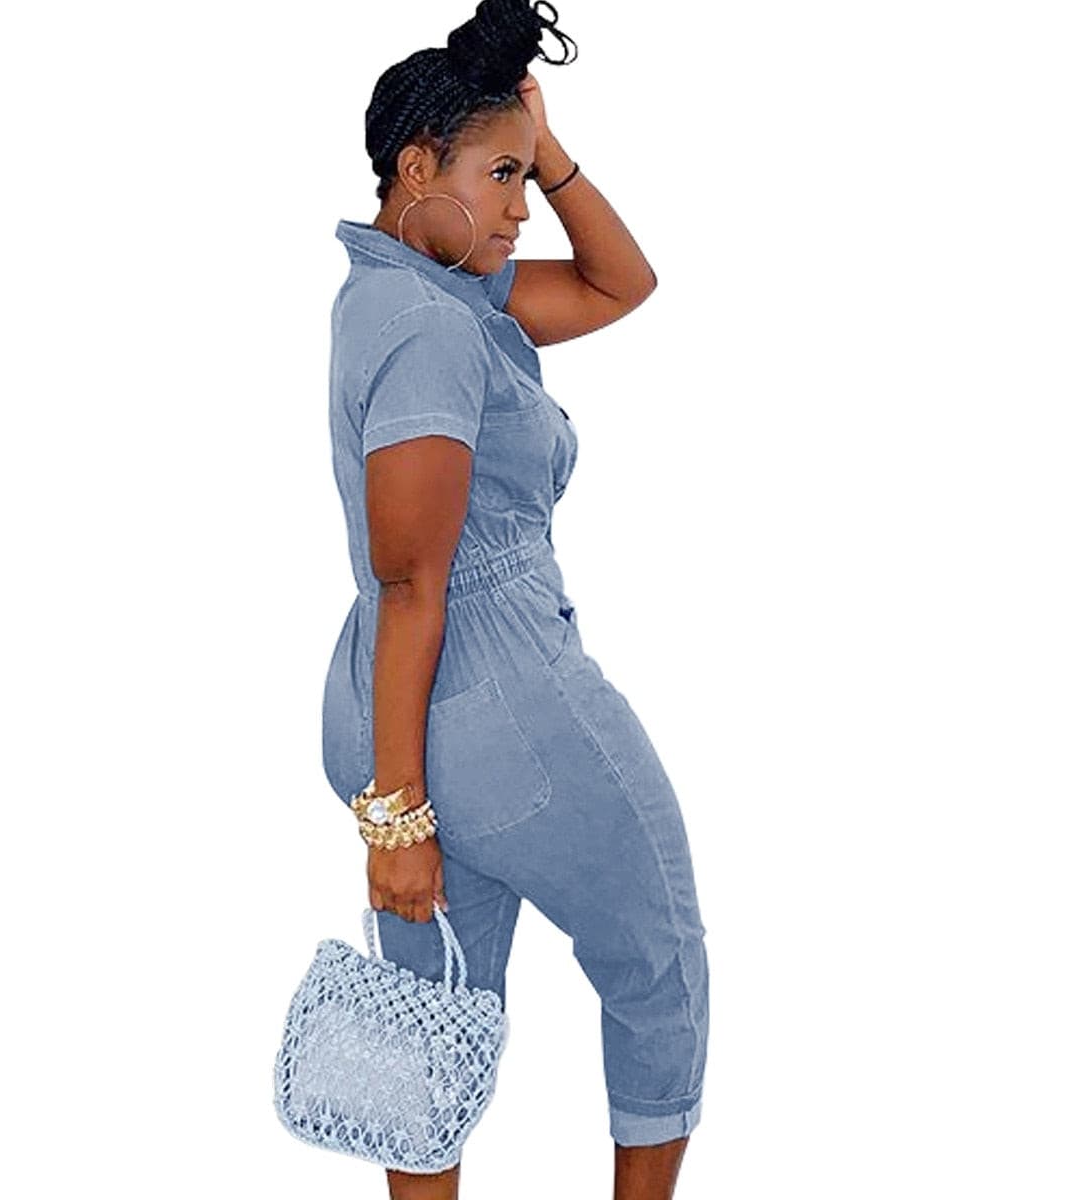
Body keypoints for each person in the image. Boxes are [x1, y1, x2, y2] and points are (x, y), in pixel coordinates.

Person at [320, 2, 709, 1196]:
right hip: (499, 697)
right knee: (659, 964)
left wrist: (545, 144)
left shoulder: (415, 295)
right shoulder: (434, 331)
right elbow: (414, 580)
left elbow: (620, 283)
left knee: (429, 1019)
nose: (521, 207)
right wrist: (397, 821)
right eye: (500, 177)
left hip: (395, 706)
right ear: (415, 167)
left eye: (525, 179)